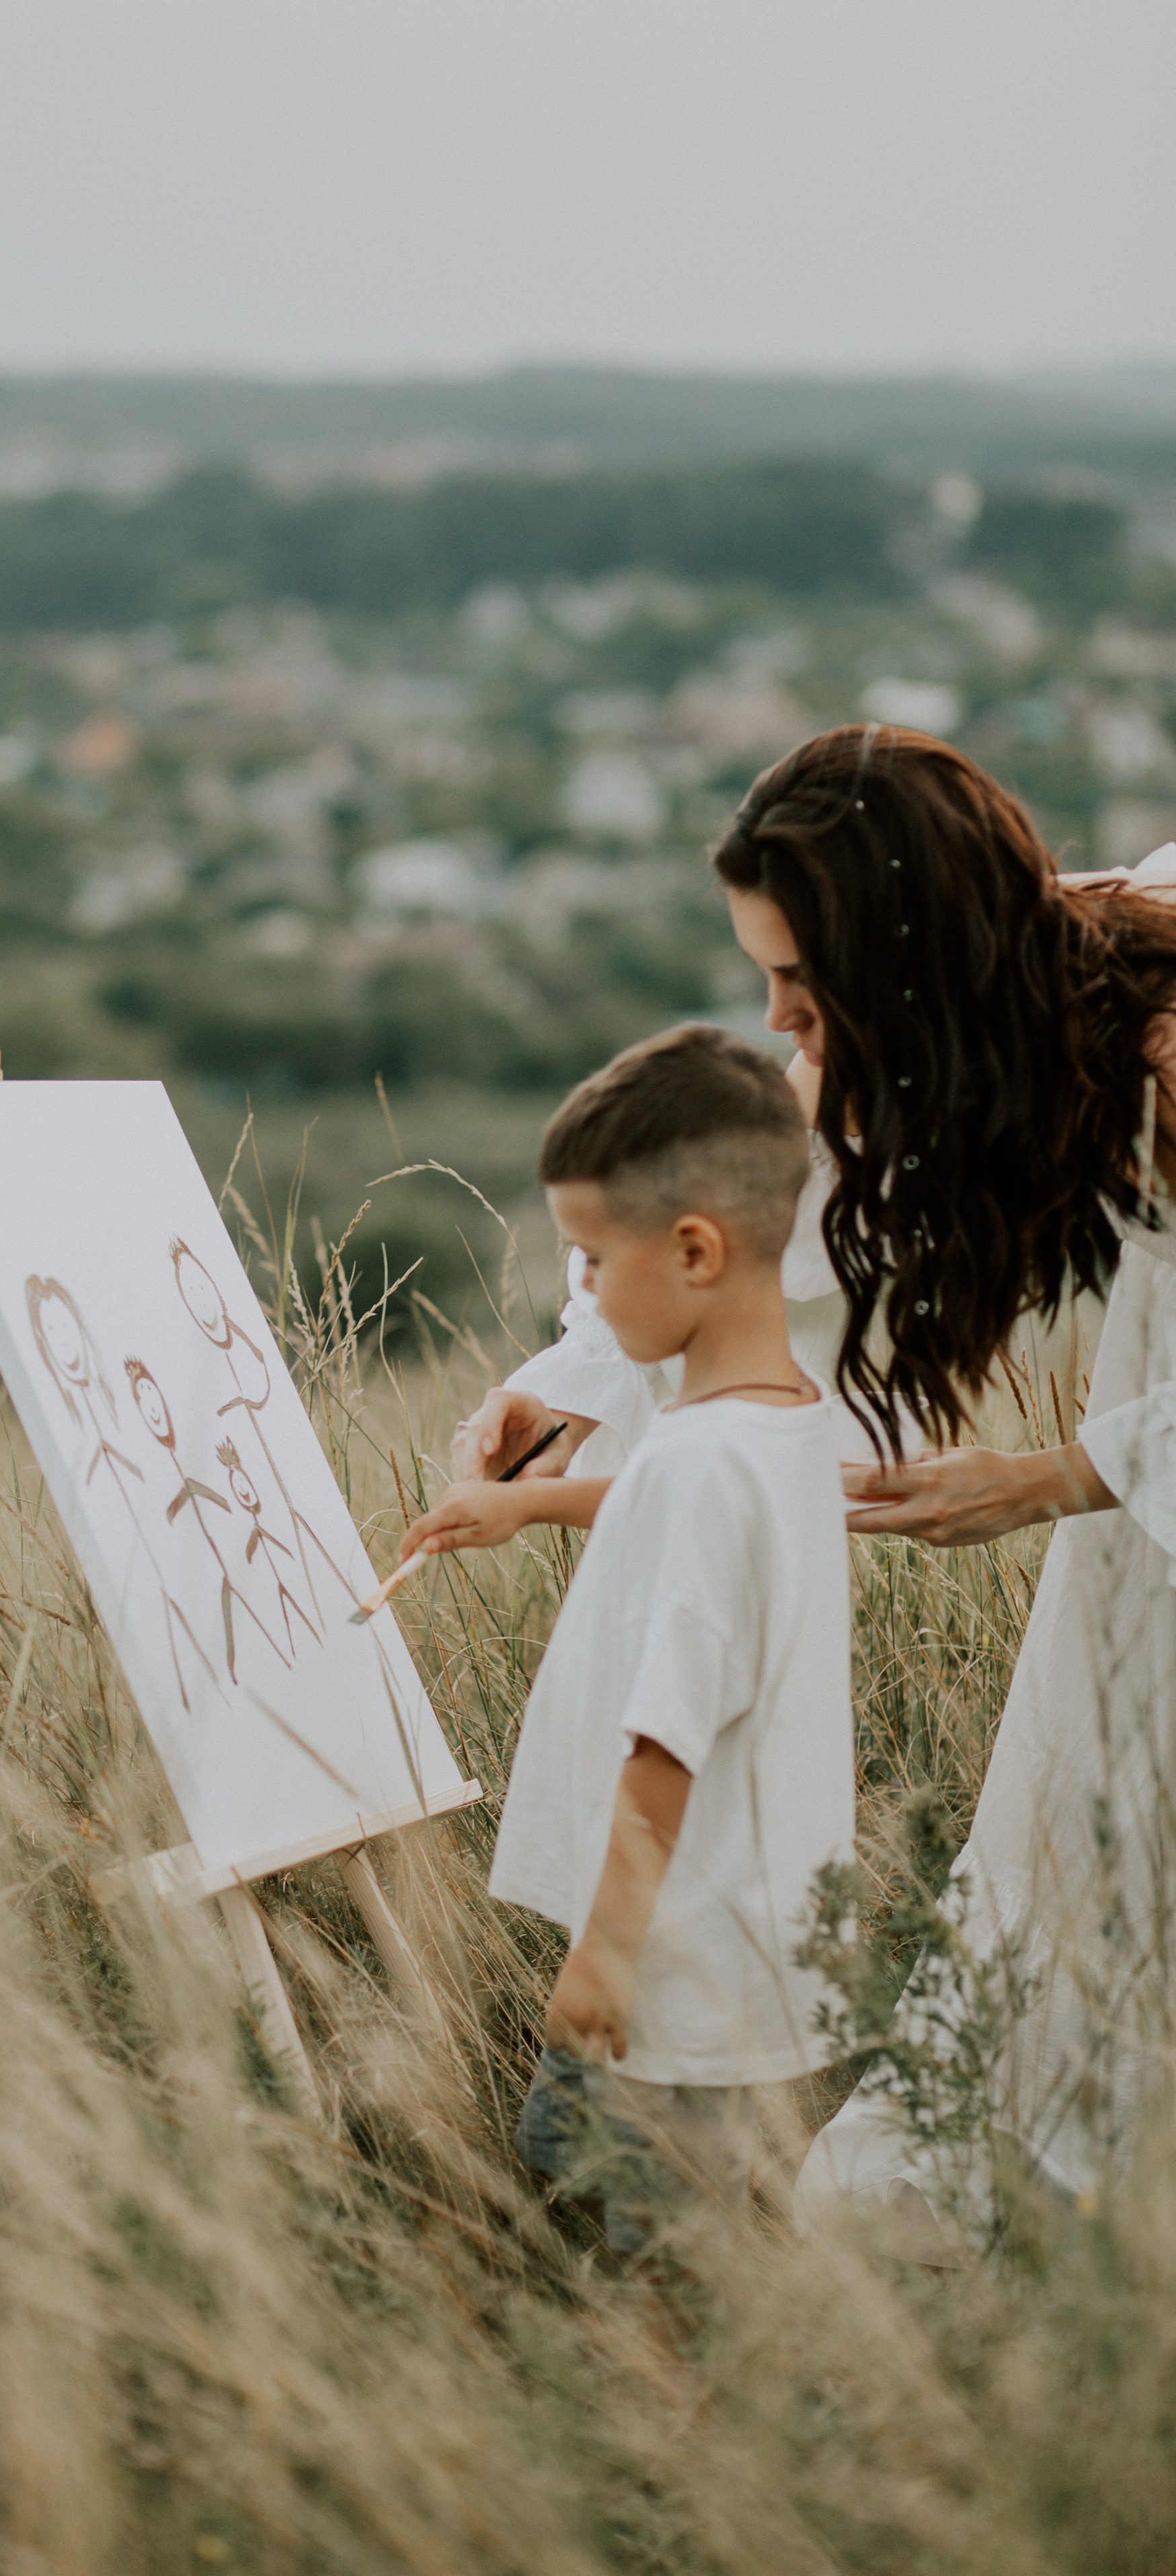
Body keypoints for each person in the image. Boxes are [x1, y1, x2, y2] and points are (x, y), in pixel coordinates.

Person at [456, 722, 1176, 2231]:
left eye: (801, 981)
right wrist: (566, 1382)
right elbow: (761, 1194)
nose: (780, 1019)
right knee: (1072, 1839)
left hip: (1138, 1466)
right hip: (1142, 1486)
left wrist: (1052, 1476)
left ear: (909, 957)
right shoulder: (979, 1010)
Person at [401, 1024, 853, 2251]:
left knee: (623, 2217)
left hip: (669, 1963)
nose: (582, 1296)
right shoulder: (787, 1425)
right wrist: (526, 1499)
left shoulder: (703, 1465)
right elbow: (660, 1491)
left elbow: (667, 1740)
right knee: (691, 2215)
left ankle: (675, 2418)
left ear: (696, 1249)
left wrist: (603, 1955)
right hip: (742, 1946)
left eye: (595, 1261)